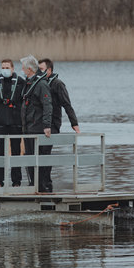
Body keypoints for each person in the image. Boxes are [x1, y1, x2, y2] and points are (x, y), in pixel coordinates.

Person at [38, 58, 80, 189]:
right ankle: (38, 183)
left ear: (49, 70)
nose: (39, 72)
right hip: (39, 124)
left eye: (41, 69)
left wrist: (74, 123)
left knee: (45, 153)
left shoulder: (58, 84)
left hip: (53, 124)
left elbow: (67, 104)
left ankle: (46, 183)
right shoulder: (38, 83)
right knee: (37, 154)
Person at [0, 59, 25, 187]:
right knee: (0, 152)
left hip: (16, 122)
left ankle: (16, 181)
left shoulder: (21, 82)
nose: (5, 69)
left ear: (13, 68)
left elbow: (23, 102)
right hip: (0, 123)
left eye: (7, 67)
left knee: (16, 151)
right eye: (3, 67)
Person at [20, 55, 53, 192]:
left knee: (38, 159)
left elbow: (47, 105)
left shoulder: (41, 84)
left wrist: (46, 125)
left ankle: (41, 186)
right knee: (29, 158)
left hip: (37, 128)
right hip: (28, 128)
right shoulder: (28, 83)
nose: (21, 71)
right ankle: (33, 185)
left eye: (23, 68)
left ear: (29, 69)